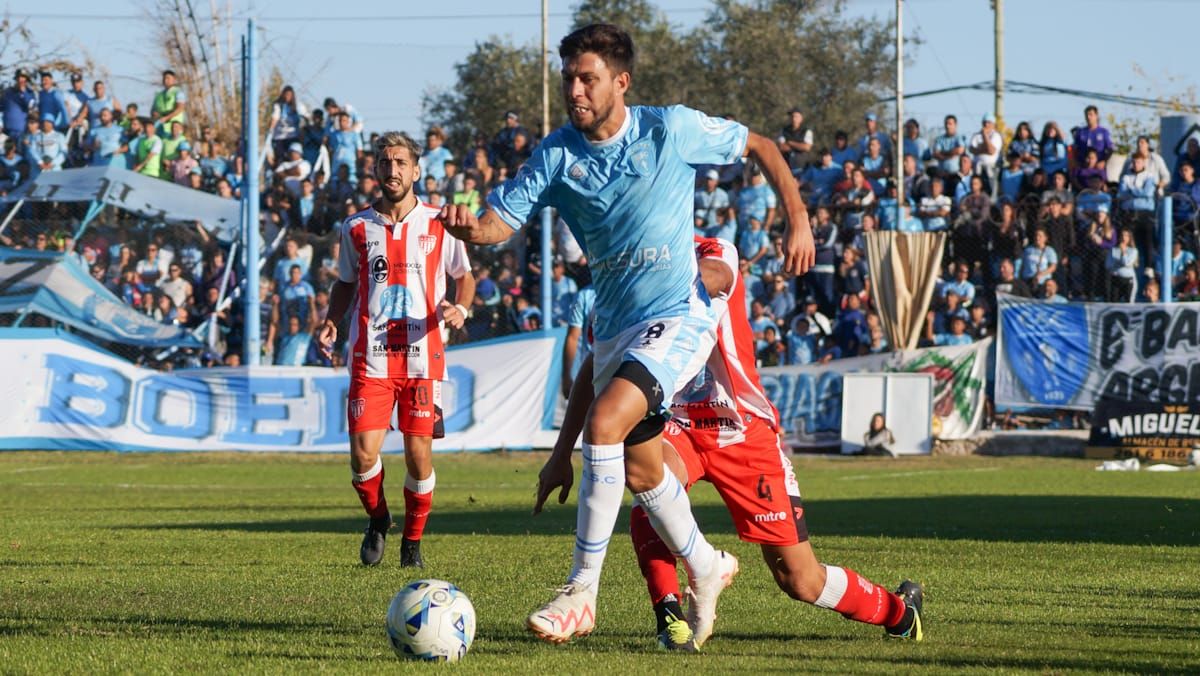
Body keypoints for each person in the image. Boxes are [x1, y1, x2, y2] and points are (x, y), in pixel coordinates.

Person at [438, 23, 814, 645]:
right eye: (568, 79)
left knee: (606, 422)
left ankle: (581, 593)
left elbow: (763, 146)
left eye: (587, 79)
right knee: (642, 473)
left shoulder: (670, 128)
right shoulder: (557, 154)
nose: (575, 91)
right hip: (615, 329)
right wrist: (467, 229)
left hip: (678, 313)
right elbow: (495, 225)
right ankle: (706, 565)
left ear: (621, 82)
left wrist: (797, 219)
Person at [536, 237, 923, 651]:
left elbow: (718, 277)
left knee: (800, 579)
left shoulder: (711, 251)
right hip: (679, 425)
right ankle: (671, 619)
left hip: (742, 430)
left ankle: (899, 613)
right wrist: (561, 454)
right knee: (646, 475)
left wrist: (647, 288)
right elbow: (596, 367)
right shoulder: (619, 280)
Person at [316, 131, 476, 569]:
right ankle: (378, 518)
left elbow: (464, 276)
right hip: (371, 357)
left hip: (423, 359)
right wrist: (333, 320)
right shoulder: (356, 227)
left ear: (416, 170)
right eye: (385, 162)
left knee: (418, 457)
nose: (393, 170)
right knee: (362, 455)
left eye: (401, 162)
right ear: (375, 170)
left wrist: (461, 307)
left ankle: (412, 542)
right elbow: (345, 283)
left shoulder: (440, 222)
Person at [1071, 105, 1113, 169]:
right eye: (1086, 115)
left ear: (1096, 116)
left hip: (1098, 167)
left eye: (1091, 114)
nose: (1088, 117)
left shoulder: (1103, 132)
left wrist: (1104, 161)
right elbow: (1075, 149)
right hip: (1083, 167)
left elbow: (1110, 149)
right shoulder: (1080, 132)